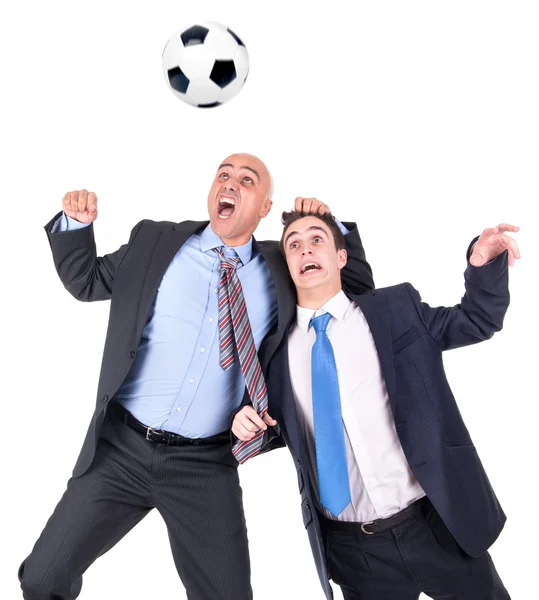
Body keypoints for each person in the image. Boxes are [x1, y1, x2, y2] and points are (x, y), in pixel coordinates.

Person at [18, 155, 374, 600]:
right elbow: (86, 281)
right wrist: (75, 224)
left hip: (203, 465)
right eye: (224, 175)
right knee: (42, 578)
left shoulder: (281, 268)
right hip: (120, 452)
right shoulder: (155, 242)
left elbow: (357, 291)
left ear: (264, 208)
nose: (231, 183)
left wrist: (328, 222)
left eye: (248, 180)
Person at [233, 210, 520, 599]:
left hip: (437, 526)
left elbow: (475, 320)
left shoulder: (394, 310)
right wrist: (246, 425)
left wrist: (482, 263)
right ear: (287, 265)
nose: (305, 250)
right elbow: (276, 429)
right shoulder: (273, 355)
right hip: (355, 553)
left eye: (317, 239)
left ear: (341, 256)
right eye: (294, 245)